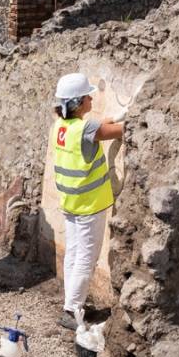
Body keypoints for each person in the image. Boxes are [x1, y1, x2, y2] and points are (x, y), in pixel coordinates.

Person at [51, 72, 124, 330]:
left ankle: (71, 305)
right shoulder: (87, 129)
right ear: (79, 102)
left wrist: (111, 118)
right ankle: (72, 311)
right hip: (89, 205)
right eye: (87, 95)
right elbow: (117, 131)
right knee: (86, 258)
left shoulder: (62, 126)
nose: (92, 97)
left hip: (71, 202)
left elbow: (97, 128)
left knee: (73, 254)